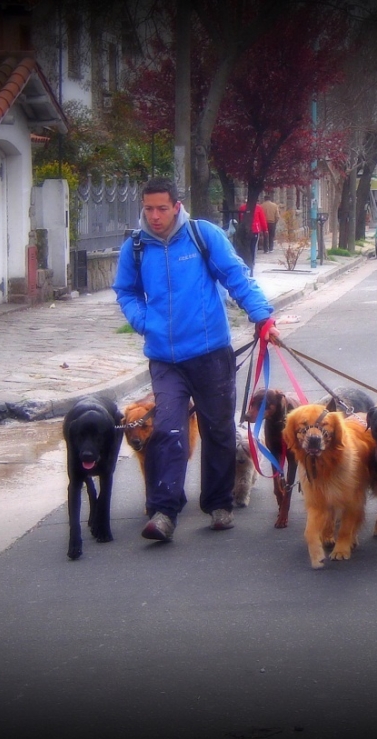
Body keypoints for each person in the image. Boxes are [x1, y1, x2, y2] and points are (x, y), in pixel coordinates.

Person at [113, 177, 280, 542]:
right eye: (148, 209)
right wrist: (144, 322)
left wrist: (262, 316)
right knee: (168, 430)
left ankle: (218, 504)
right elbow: (125, 291)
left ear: (177, 205)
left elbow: (236, 276)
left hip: (211, 354)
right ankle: (164, 512)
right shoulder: (136, 247)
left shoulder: (203, 236)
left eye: (161, 208)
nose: (154, 216)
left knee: (218, 431)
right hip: (165, 359)